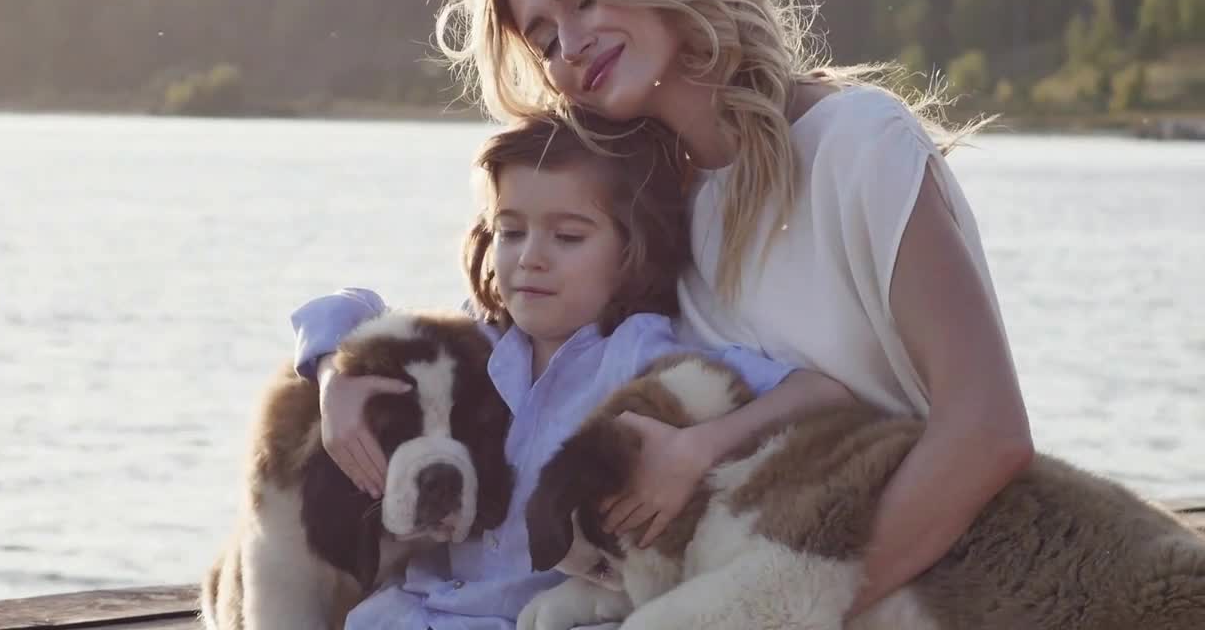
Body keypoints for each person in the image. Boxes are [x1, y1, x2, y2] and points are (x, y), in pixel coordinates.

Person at [302, 0, 1035, 620]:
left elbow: (988, 431)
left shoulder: (859, 143)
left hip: (922, 579)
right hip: (747, 579)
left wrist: (782, 605)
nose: (571, 47)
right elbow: (492, 330)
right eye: (546, 37)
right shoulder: (663, 207)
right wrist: (337, 373)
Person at [298, 114, 853, 629]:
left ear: (630, 250)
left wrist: (701, 447)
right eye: (511, 232)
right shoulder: (475, 341)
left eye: (568, 237)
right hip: (411, 610)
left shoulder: (641, 355)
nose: (531, 257)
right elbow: (342, 306)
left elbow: (822, 393)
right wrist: (333, 380)